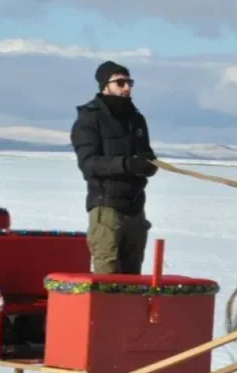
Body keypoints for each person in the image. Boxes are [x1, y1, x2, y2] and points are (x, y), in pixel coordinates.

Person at [69, 60, 158, 275]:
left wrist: (148, 164)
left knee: (132, 279)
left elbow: (146, 155)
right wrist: (127, 164)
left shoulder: (136, 119)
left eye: (129, 82)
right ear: (104, 86)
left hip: (136, 209)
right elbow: (88, 164)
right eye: (120, 82)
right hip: (106, 209)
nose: (127, 87)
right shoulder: (89, 119)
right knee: (107, 277)